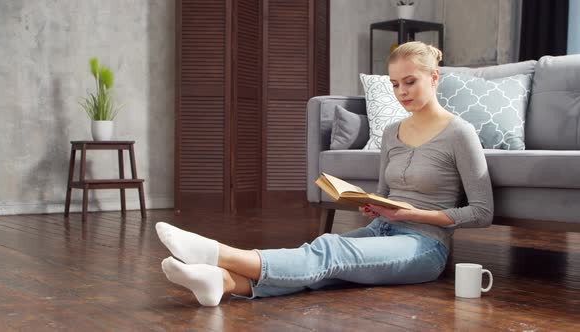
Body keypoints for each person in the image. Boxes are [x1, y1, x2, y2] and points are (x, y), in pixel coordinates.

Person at [155, 41, 494, 306]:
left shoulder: (459, 133)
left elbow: (482, 213)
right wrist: (373, 205)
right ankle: (224, 282)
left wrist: (414, 213)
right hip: (382, 228)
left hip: (424, 245)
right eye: (394, 84)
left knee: (333, 255)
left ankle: (218, 253)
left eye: (410, 82)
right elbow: (384, 193)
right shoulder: (392, 132)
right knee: (326, 256)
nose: (401, 92)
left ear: (434, 78)